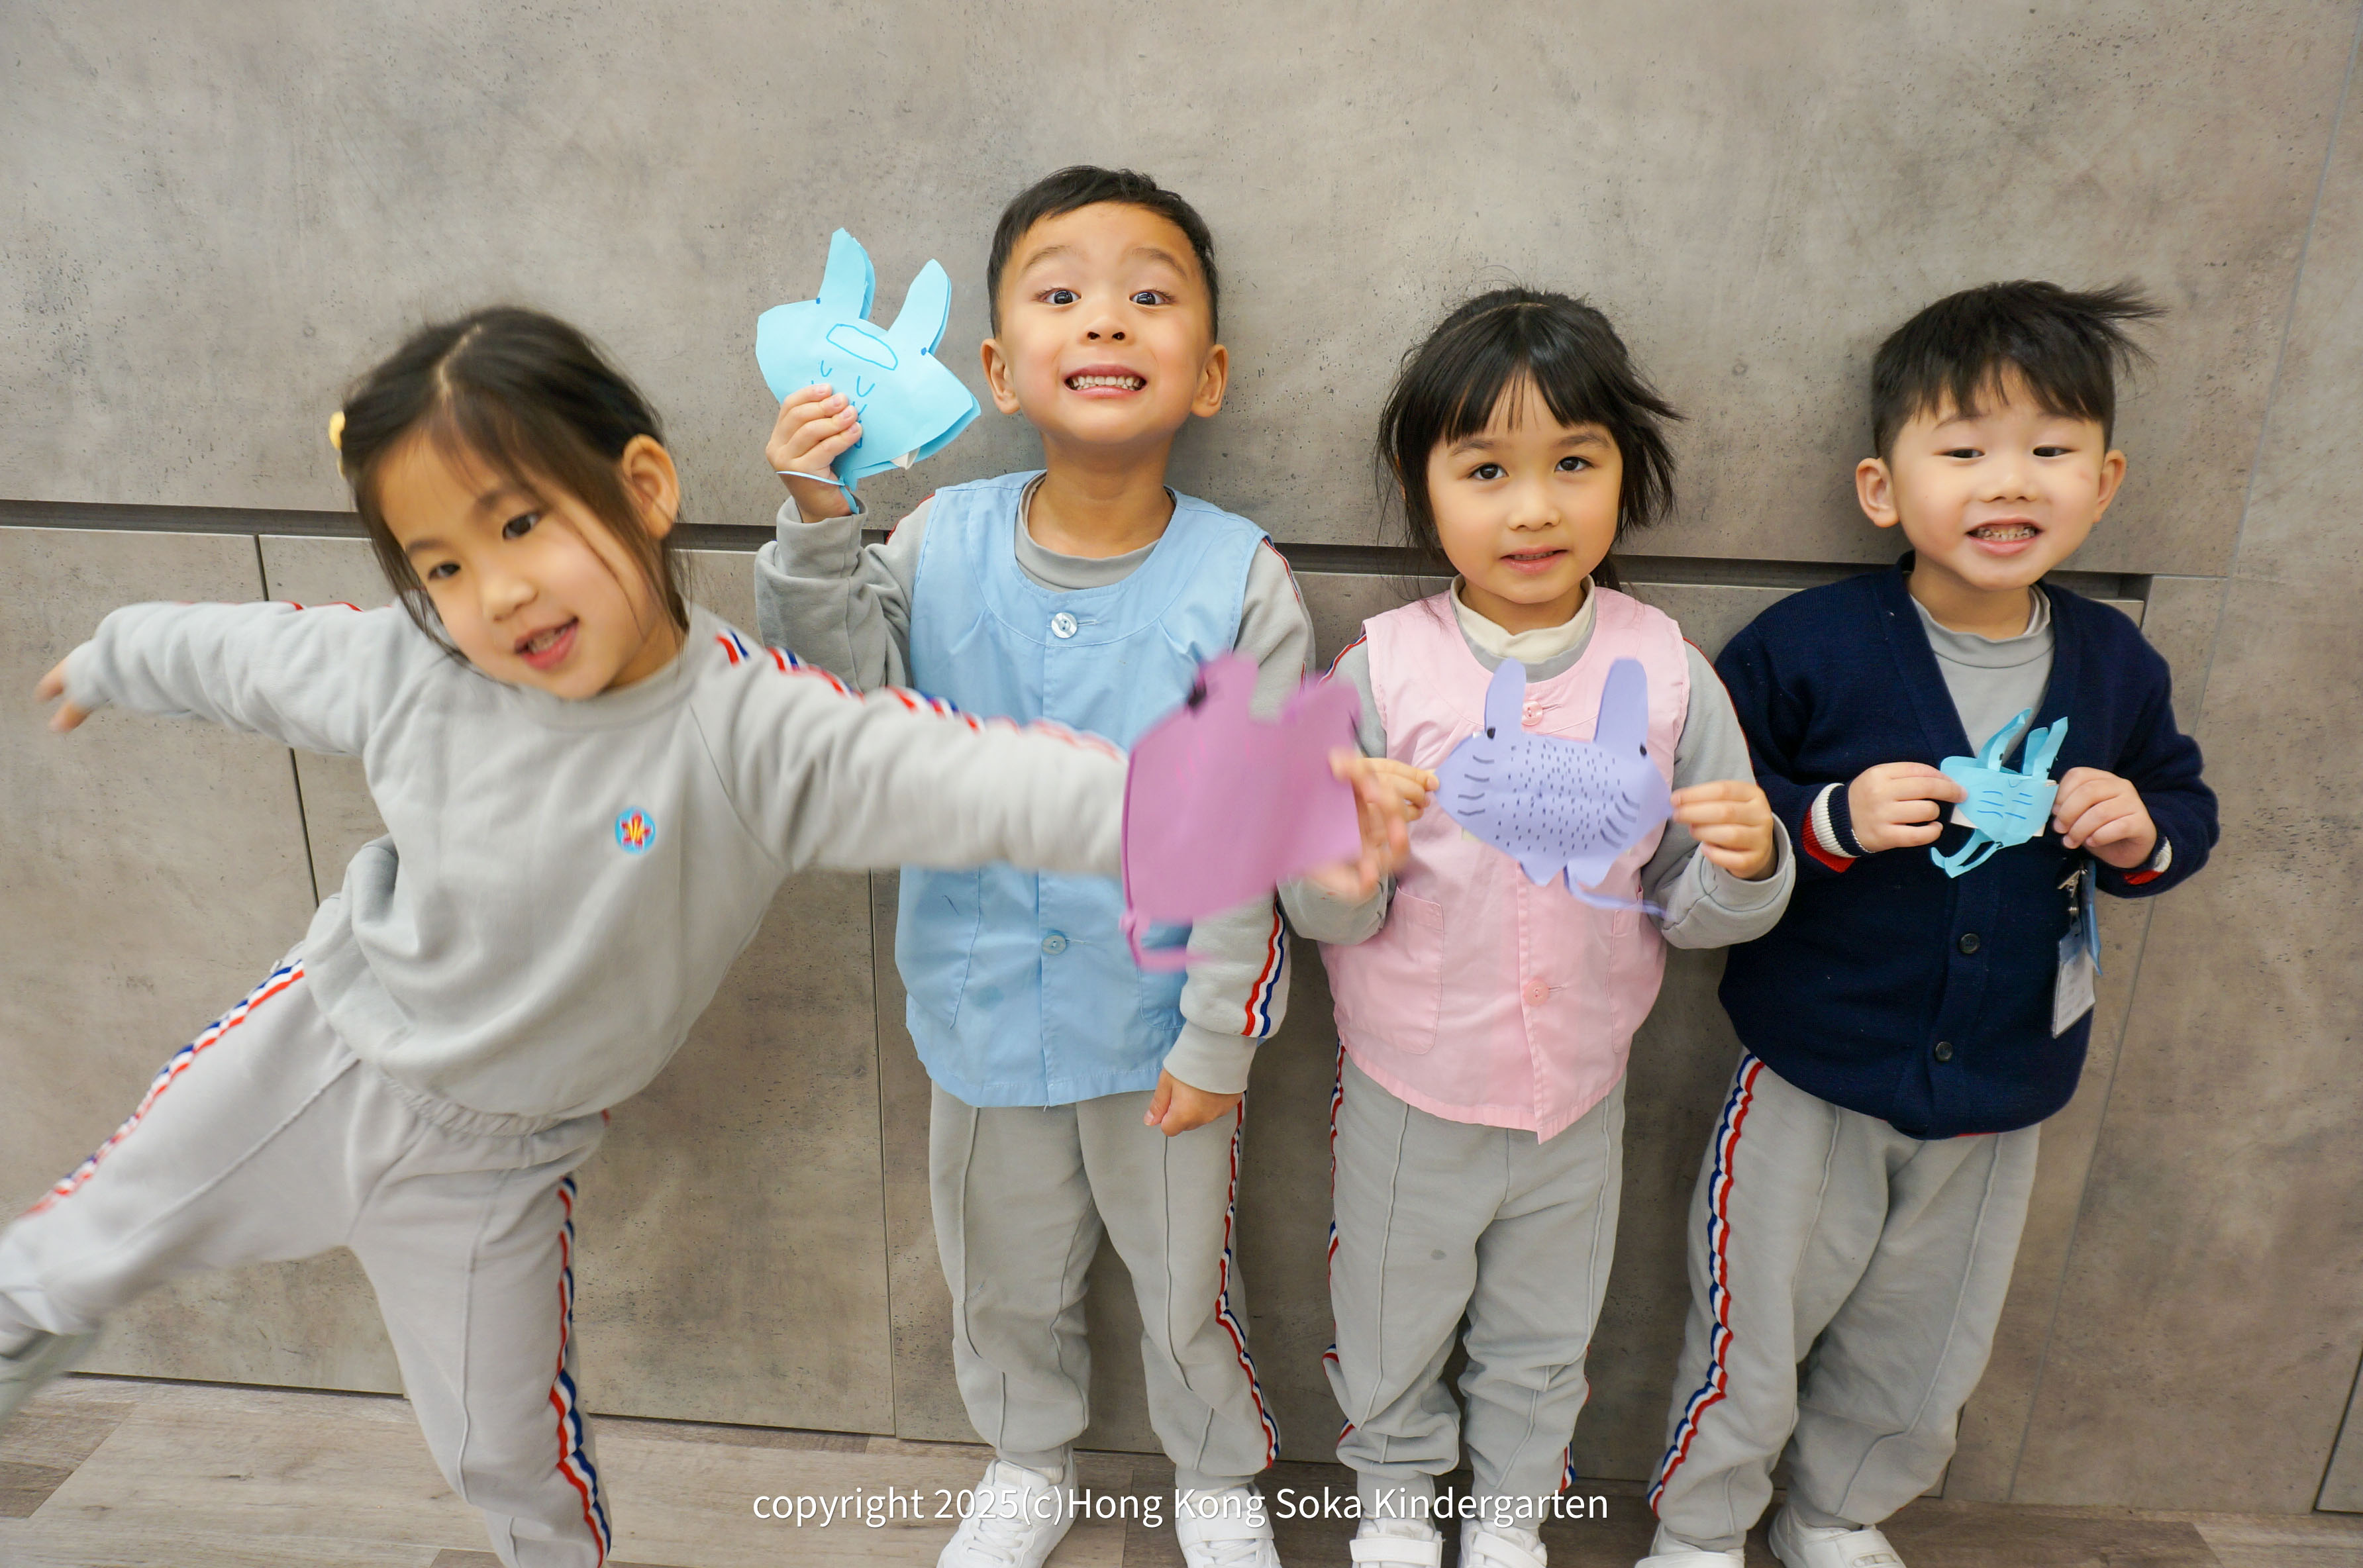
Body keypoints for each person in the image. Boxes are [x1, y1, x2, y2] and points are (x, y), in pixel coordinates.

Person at [0, 307, 1399, 1568]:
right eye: (442, 562)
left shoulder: (753, 729)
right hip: (320, 1056)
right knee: (73, 1259)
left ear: (646, 488)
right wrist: (115, 652)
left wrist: (1252, 804)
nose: (495, 590)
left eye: (521, 525)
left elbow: (994, 781)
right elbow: (242, 653)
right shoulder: (410, 664)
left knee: (505, 1450)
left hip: (502, 1166)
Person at [754, 166, 1315, 1568]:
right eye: (1061, 293)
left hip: (1160, 1025)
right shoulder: (933, 540)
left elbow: (1250, 834)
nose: (1105, 320)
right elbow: (844, 715)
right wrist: (816, 515)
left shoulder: (1240, 579)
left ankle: (1216, 1472)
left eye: (1149, 295)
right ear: (999, 369)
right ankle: (1024, 1457)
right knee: (999, 1268)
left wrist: (1218, 1036)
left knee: (1185, 1278)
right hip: (979, 1007)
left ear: (1208, 373)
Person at [1638, 282, 2218, 1568]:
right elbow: (1711, 805)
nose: (2006, 481)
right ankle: (1699, 1529)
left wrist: (2140, 830)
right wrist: (1830, 815)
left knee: (1924, 1346)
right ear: (1880, 487)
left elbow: (2182, 804)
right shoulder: (1808, 645)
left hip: (2003, 1087)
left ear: (2104, 481)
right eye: (1962, 449)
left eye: (2049, 448)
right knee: (1750, 1329)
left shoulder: (2115, 664)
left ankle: (1836, 1513)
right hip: (1811, 1069)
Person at [1282, 288, 1794, 1568]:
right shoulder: (1379, 673)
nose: (1532, 509)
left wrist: (1753, 861)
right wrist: (1345, 862)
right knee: (1389, 1321)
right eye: (1486, 471)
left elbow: (1696, 906)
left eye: (1574, 463)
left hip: (1580, 1097)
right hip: (1411, 1090)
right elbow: (1317, 903)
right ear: (1425, 489)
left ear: (1627, 474)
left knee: (1546, 1337)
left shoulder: (1669, 672)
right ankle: (1396, 1504)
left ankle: (1511, 1516)